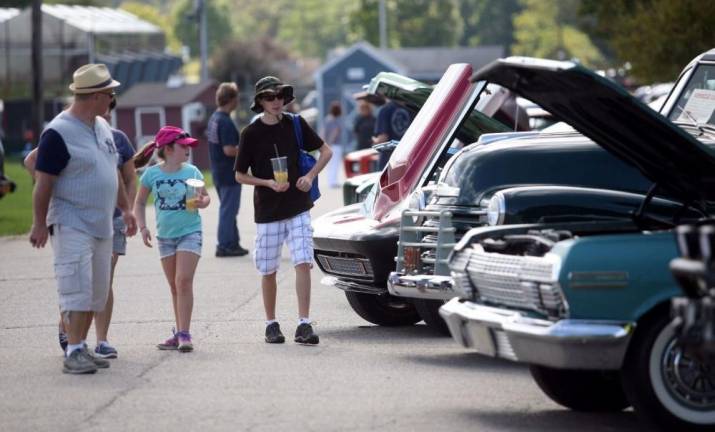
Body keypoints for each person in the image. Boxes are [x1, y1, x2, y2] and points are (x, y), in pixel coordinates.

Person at [29, 63, 136, 374]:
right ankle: (73, 349)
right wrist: (39, 223)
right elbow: (43, 181)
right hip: (70, 220)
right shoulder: (58, 132)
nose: (112, 99)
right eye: (109, 94)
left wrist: (127, 209)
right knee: (76, 286)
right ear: (93, 96)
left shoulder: (101, 127)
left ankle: (82, 346)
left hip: (102, 222)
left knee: (96, 291)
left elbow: (113, 173)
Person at [234, 76, 332, 345]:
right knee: (268, 270)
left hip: (298, 206)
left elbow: (326, 151)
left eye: (279, 96)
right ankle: (271, 324)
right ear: (260, 102)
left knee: (303, 262)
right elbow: (240, 175)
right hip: (268, 210)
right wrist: (266, 182)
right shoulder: (250, 134)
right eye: (269, 97)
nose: (276, 101)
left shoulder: (296, 123)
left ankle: (303, 323)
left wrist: (310, 176)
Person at [133, 126, 210, 353]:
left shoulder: (192, 172)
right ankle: (178, 333)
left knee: (183, 281)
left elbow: (205, 198)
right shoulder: (151, 174)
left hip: (190, 232)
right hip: (165, 237)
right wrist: (143, 226)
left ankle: (185, 334)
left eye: (189, 146)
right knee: (174, 287)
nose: (187, 150)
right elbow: (138, 203)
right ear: (167, 149)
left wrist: (202, 203)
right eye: (183, 146)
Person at [206, 82, 249, 257]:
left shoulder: (214, 118)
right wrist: (247, 150)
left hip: (217, 171)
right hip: (228, 172)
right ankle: (224, 245)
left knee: (229, 209)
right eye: (236, 97)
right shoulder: (225, 122)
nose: (238, 100)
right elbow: (229, 149)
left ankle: (233, 242)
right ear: (231, 99)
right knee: (228, 210)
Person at [373, 100, 412, 169]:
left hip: (389, 160)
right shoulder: (413, 109)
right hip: (408, 158)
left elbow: (383, 139)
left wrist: (375, 141)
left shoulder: (385, 109)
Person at [322, 100, 346, 187]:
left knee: (330, 164)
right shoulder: (337, 120)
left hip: (327, 145)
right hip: (335, 145)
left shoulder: (327, 119)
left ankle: (330, 181)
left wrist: (324, 143)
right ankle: (333, 181)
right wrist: (330, 143)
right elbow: (335, 132)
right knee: (335, 164)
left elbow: (323, 132)